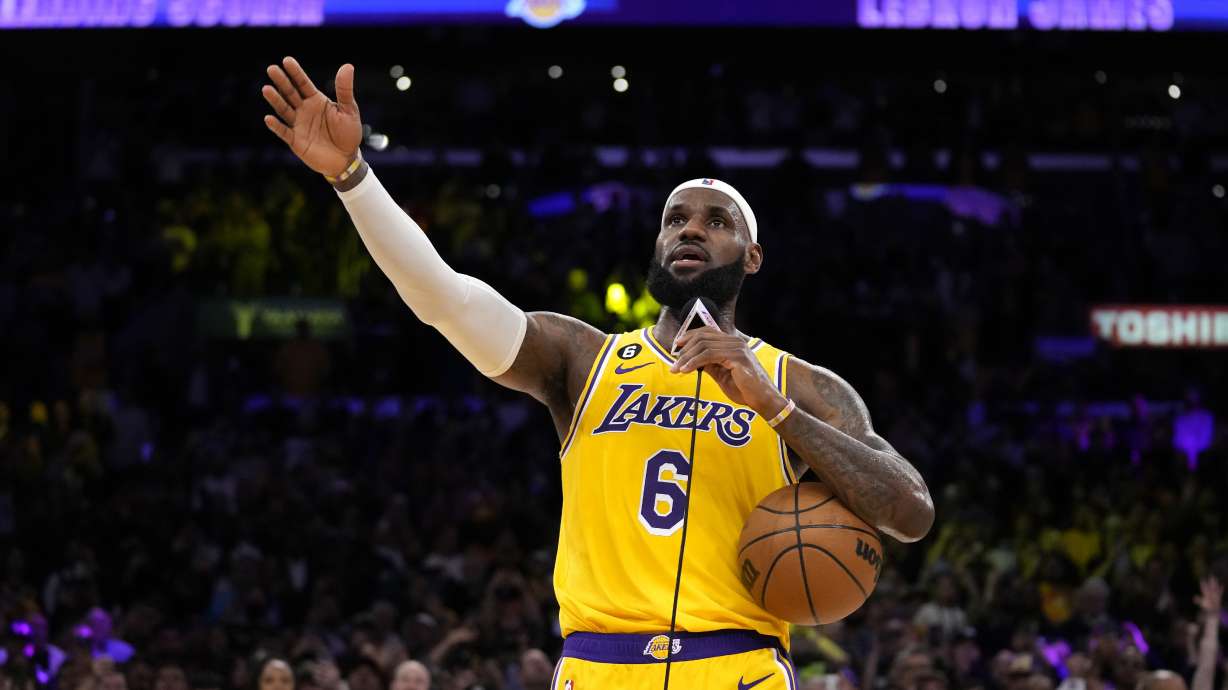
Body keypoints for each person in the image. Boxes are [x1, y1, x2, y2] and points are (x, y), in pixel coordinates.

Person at [261, 56, 934, 690]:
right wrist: (352, 177)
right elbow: (446, 298)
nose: (690, 229)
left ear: (752, 257)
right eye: (675, 218)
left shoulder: (801, 385)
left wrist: (777, 409)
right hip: (598, 665)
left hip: (738, 665)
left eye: (716, 220)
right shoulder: (581, 358)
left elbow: (909, 511)